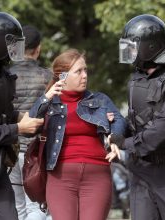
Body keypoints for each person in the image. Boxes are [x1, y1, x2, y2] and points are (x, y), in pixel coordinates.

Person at [29, 49, 127, 220]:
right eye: (78, 71)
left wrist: (115, 138)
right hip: (60, 177)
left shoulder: (99, 99)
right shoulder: (50, 103)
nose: (84, 76)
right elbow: (30, 122)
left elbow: (119, 120)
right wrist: (46, 97)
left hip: (96, 175)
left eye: (85, 70)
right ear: (63, 76)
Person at [0, 12, 44, 220]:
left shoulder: (3, 75)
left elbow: (0, 114)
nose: (17, 50)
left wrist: (20, 116)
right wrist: (19, 129)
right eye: (12, 43)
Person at [109, 14, 165, 220]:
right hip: (140, 170)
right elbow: (135, 119)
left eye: (133, 45)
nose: (129, 51)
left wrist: (126, 143)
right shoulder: (136, 78)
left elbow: (163, 127)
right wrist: (115, 128)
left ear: (150, 47)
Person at [9, 25, 51, 220]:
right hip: (36, 152)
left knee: (17, 207)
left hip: (9, 150)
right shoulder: (48, 77)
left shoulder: (5, 77)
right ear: (38, 48)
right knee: (36, 206)